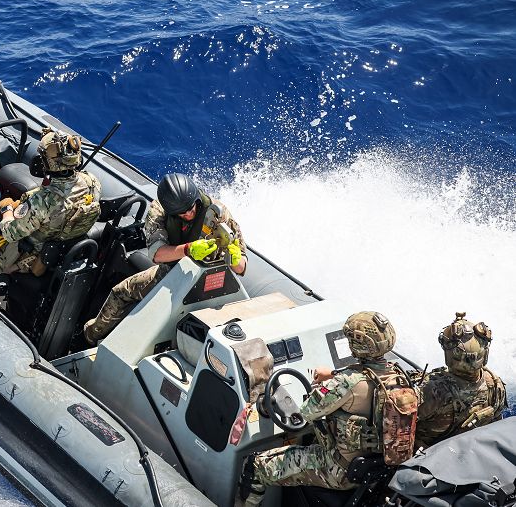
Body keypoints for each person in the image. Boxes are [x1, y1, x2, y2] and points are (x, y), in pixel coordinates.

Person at [239, 312, 418, 507]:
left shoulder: (345, 383)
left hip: (338, 469)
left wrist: (323, 386)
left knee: (255, 466)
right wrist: (333, 374)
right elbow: (366, 379)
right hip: (371, 469)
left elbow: (306, 413)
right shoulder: (400, 378)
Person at [82, 172, 245, 344]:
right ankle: (93, 335)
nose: (190, 214)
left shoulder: (218, 212)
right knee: (121, 291)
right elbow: (157, 254)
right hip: (179, 271)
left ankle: (90, 335)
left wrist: (235, 259)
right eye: (183, 213)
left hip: (208, 279)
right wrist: (189, 249)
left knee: (122, 292)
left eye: (192, 208)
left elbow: (241, 268)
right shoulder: (160, 211)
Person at [0, 127, 101, 285]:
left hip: (25, 256)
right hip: (55, 254)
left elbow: (9, 233)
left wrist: (7, 210)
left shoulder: (43, 201)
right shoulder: (92, 183)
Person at [415, 312, 507, 449]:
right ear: (484, 354)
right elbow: (497, 427)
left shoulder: (431, 391)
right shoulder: (495, 384)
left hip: (430, 466)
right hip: (472, 458)